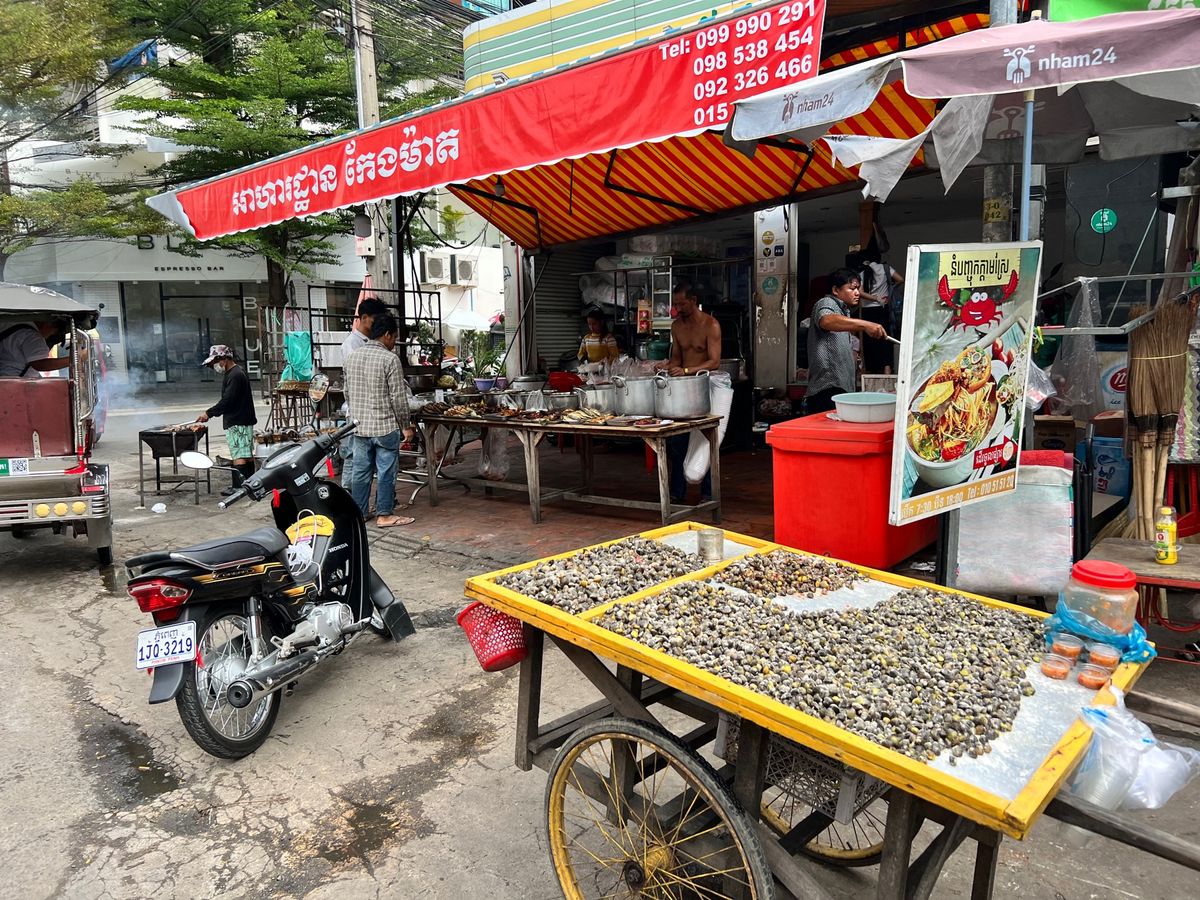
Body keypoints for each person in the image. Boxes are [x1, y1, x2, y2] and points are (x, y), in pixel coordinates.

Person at [343, 313, 415, 528]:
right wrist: (406, 426)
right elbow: (398, 397)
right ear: (386, 335)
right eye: (394, 338)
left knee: (361, 471)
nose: (394, 343)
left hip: (360, 426)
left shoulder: (352, 357)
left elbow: (347, 394)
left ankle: (360, 513)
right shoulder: (390, 359)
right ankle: (384, 514)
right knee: (386, 471)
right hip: (385, 427)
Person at [656, 283, 722, 504]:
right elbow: (676, 357)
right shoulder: (676, 326)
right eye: (675, 304)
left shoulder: (711, 325)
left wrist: (686, 370)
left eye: (681, 303)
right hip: (682, 390)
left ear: (693, 300)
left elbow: (714, 361)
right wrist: (667, 367)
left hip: (703, 386)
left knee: (706, 440)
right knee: (677, 441)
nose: (677, 308)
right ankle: (676, 492)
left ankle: (708, 493)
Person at [806, 268, 886, 414]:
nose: (857, 293)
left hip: (840, 391)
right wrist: (866, 324)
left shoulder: (844, 311)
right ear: (836, 290)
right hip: (827, 391)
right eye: (852, 288)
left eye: (858, 289)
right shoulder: (826, 302)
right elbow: (826, 320)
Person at [195, 345, 257, 496]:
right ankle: (250, 485)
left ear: (223, 359)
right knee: (245, 454)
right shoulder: (234, 373)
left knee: (239, 455)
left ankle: (239, 487)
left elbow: (227, 401)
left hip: (238, 421)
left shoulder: (235, 375)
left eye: (214, 363)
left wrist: (208, 413)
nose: (214, 367)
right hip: (242, 419)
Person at [858, 251, 904, 374]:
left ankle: (871, 370)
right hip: (883, 307)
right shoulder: (886, 268)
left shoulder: (862, 274)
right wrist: (890, 290)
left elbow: (860, 292)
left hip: (868, 309)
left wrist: (874, 298)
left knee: (870, 340)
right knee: (885, 336)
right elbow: (901, 279)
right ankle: (887, 369)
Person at [0, 320, 72, 377]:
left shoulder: (10, 324)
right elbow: (39, 364)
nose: (50, 335)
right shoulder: (32, 336)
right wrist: (72, 360)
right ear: (50, 324)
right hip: (15, 383)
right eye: (53, 332)